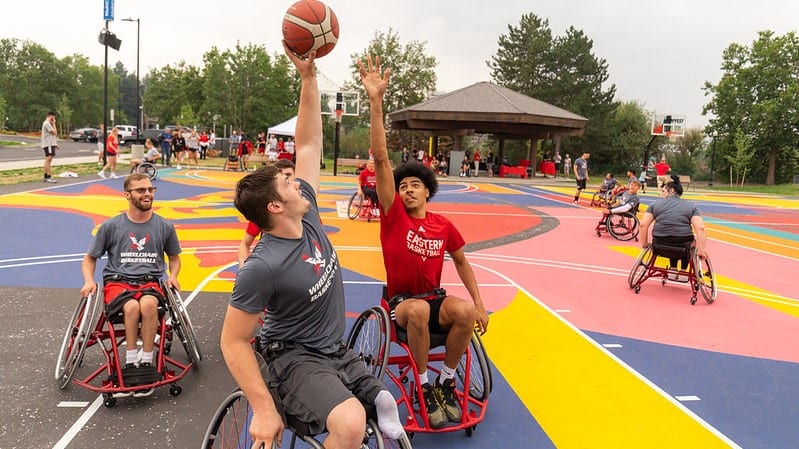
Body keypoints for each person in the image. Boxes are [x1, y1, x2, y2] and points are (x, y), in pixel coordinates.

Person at [220, 44, 404, 449]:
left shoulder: (308, 213)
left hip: (332, 349)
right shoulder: (262, 266)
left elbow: (307, 144)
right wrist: (264, 407)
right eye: (288, 182)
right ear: (275, 206)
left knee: (382, 403)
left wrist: (309, 79)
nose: (297, 181)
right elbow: (232, 341)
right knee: (352, 421)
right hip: (292, 359)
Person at [359, 54, 489, 429]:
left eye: (415, 184)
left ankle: (445, 382)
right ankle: (421, 386)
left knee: (463, 312)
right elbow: (382, 158)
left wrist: (479, 303)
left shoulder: (442, 225)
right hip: (400, 304)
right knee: (415, 311)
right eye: (403, 186)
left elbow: (462, 263)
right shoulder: (393, 216)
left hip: (435, 298)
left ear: (427, 192)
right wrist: (375, 100)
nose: (408, 189)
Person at [80, 173, 182, 396]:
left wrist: (173, 275)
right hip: (119, 282)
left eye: (150, 189)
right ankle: (130, 359)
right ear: (127, 195)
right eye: (141, 190)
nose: (147, 194)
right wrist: (89, 281)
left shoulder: (164, 226)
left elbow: (174, 257)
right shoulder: (111, 226)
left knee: (148, 305)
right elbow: (90, 258)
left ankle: (146, 360)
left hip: (149, 283)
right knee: (132, 307)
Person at [639, 175, 707, 282]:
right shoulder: (691, 206)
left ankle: (673, 269)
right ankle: (684, 270)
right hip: (682, 244)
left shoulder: (655, 204)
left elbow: (643, 225)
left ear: (671, 190)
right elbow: (701, 228)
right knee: (688, 243)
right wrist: (702, 251)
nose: (661, 194)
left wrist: (644, 243)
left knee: (670, 237)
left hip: (659, 243)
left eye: (663, 191)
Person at [237, 159, 295, 269]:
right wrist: (242, 271)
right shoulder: (265, 211)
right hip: (274, 268)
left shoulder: (307, 210)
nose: (288, 180)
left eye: (288, 175)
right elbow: (245, 244)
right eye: (282, 177)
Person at [41, 111, 59, 183]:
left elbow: (51, 135)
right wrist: (54, 124)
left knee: (49, 160)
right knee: (48, 160)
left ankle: (46, 176)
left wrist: (55, 143)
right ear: (51, 116)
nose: (54, 119)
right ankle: (48, 176)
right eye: (54, 117)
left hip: (51, 144)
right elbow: (55, 132)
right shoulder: (47, 123)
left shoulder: (48, 123)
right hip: (48, 144)